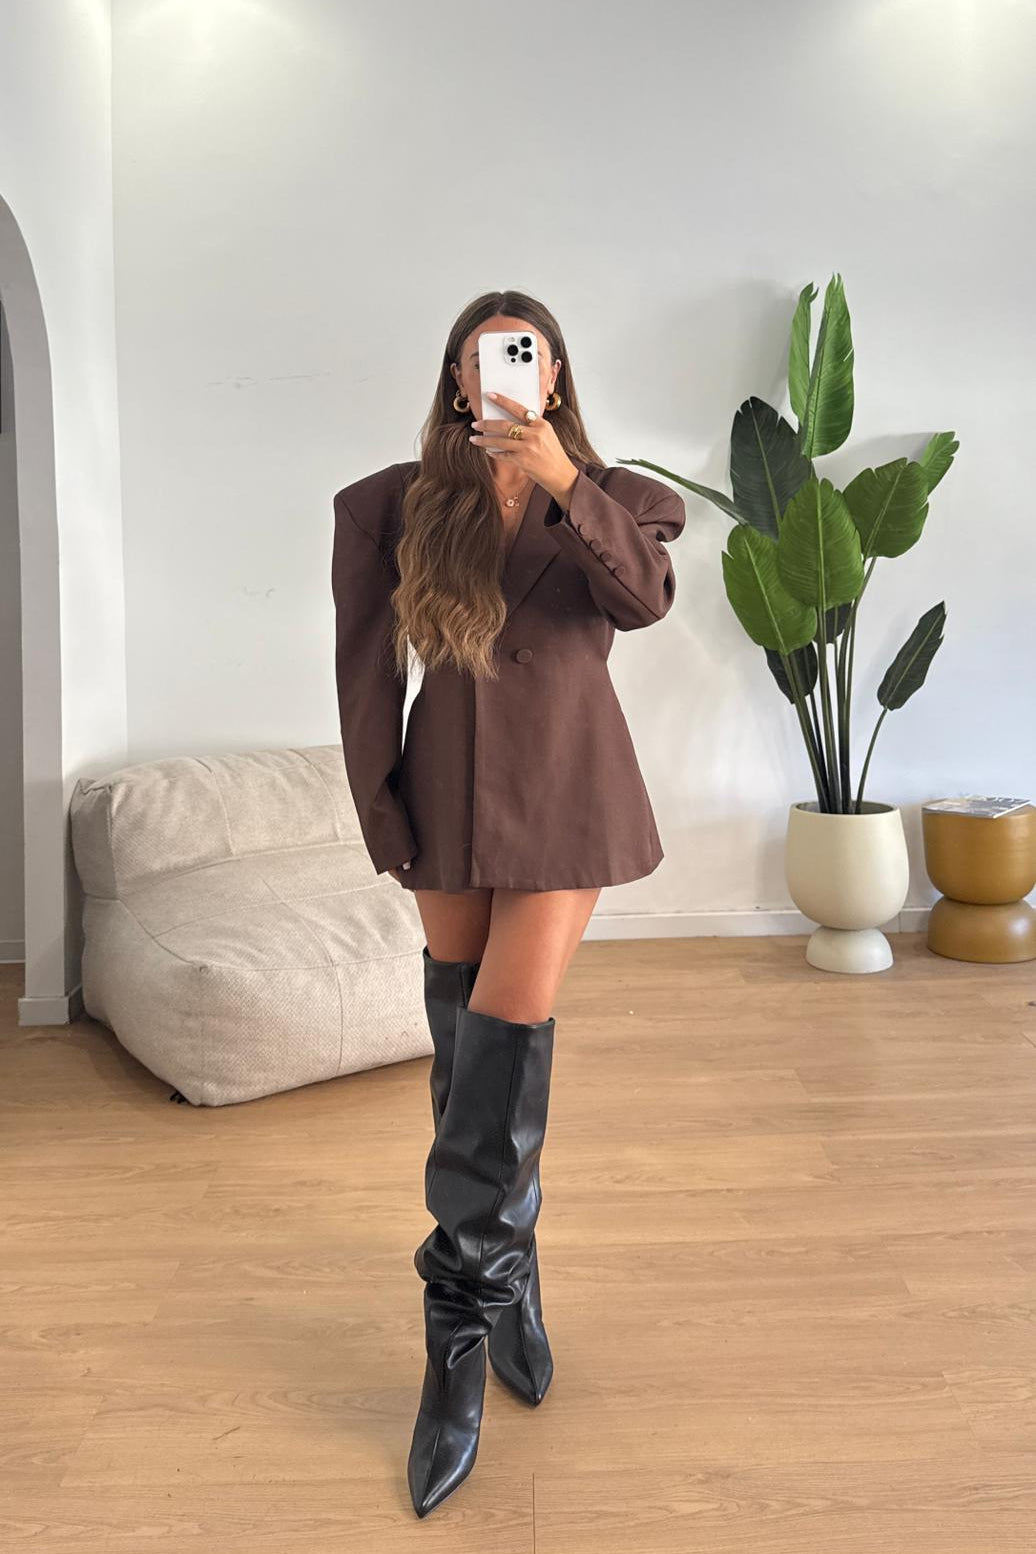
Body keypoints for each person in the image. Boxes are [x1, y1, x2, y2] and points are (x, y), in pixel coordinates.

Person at [331, 288, 686, 1518]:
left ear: (554, 375)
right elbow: (364, 671)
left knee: (505, 1028)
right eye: (481, 360)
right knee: (467, 1058)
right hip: (444, 797)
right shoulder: (391, 505)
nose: (502, 375)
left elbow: (643, 601)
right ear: (453, 378)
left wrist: (559, 475)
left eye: (524, 357)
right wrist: (381, 810)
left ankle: (454, 1342)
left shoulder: (621, 497)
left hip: (568, 793)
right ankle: (513, 1274)